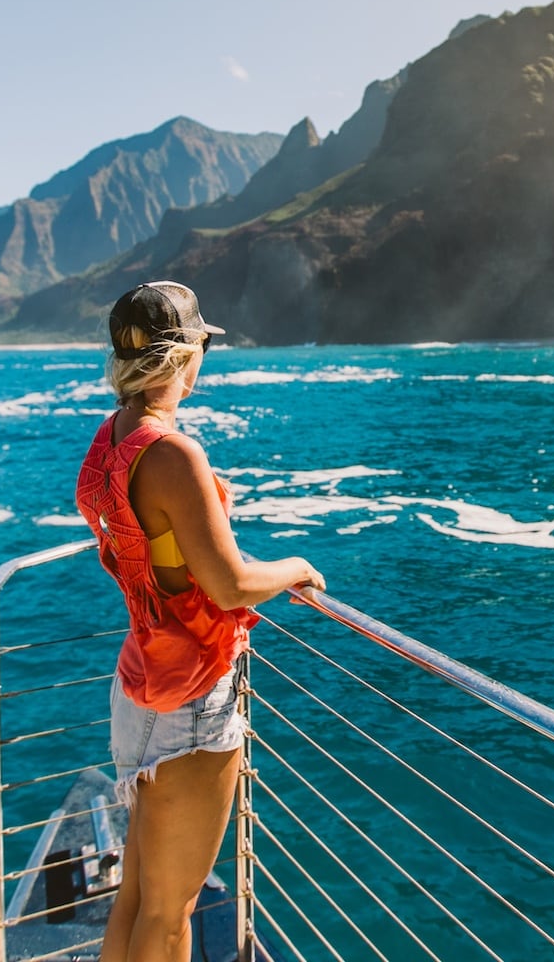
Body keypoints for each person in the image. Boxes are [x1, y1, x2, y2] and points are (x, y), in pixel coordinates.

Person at [74, 281, 325, 962]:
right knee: (172, 910)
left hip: (140, 684)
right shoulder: (172, 453)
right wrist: (298, 566)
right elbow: (232, 583)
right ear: (184, 355)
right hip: (191, 692)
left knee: (137, 897)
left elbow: (159, 549)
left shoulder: (113, 437)